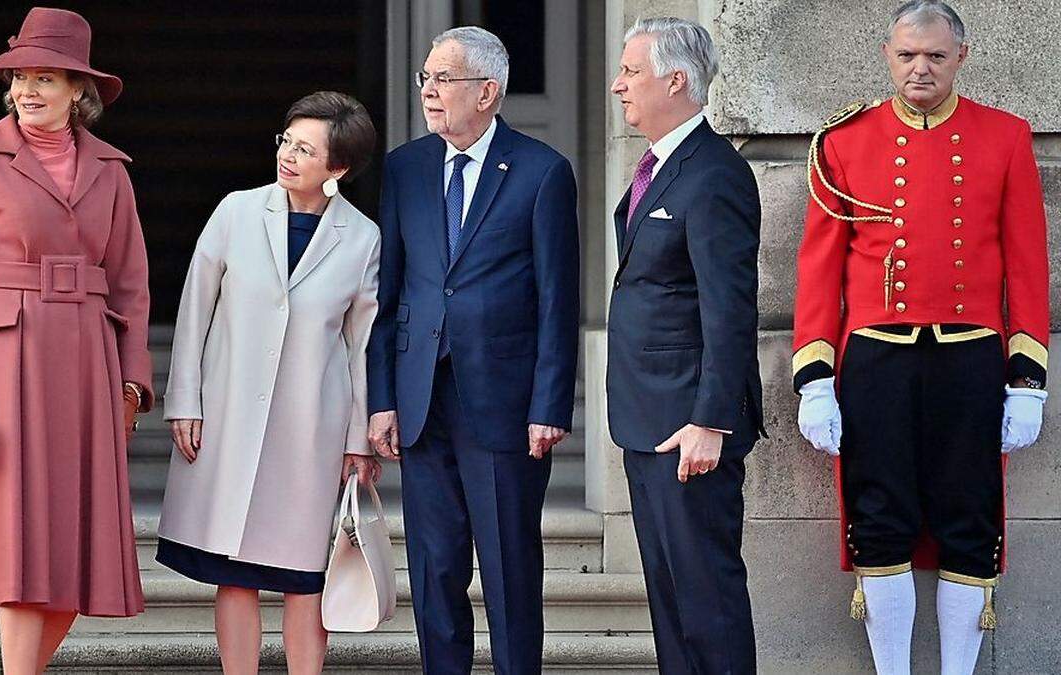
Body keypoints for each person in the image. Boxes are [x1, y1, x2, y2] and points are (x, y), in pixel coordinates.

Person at [792, 2, 1050, 673]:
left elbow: (1026, 266)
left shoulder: (1005, 136)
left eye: (935, 56)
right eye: (907, 55)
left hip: (970, 357)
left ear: (961, 56)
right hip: (876, 359)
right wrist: (815, 379)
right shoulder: (845, 141)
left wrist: (1027, 380)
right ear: (887, 54)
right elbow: (820, 268)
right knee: (879, 518)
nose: (920, 69)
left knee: (970, 520)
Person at [0, 7, 152, 673]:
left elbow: (132, 285)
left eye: (45, 77)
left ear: (80, 90)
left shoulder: (112, 170)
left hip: (87, 364)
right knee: (19, 545)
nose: (27, 90)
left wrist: (133, 381)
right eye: (20, 76)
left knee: (79, 554)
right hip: (0, 362)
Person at [365, 25, 579, 675]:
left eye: (443, 79)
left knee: (511, 570)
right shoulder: (406, 167)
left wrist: (550, 403)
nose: (429, 91)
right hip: (423, 401)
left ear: (487, 92)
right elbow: (389, 291)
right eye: (425, 78)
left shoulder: (543, 172)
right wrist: (381, 399)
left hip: (507, 407)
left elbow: (557, 301)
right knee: (434, 571)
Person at [157, 91, 381, 675]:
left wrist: (358, 439)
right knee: (234, 572)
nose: (288, 156)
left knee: (305, 576)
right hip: (229, 414)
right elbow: (193, 311)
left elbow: (361, 348)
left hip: (312, 427)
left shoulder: (362, 238)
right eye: (287, 141)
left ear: (339, 169)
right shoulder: (235, 210)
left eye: (307, 150)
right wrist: (185, 400)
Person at [606, 17, 766, 675]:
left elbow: (730, 311)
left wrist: (710, 419)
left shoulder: (714, 173)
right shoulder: (660, 165)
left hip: (689, 429)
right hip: (647, 421)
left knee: (707, 601)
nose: (618, 85)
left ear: (676, 80)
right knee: (672, 605)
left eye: (632, 72)